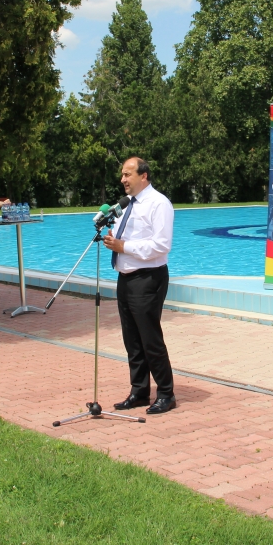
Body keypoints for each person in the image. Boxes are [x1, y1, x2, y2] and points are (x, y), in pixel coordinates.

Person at [101, 157, 176, 415]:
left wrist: (124, 246)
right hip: (126, 278)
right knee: (132, 339)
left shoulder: (158, 203)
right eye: (122, 175)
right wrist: (114, 240)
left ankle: (166, 394)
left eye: (127, 174)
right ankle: (140, 391)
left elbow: (161, 245)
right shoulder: (126, 205)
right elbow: (126, 238)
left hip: (148, 278)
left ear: (143, 176)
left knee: (150, 338)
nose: (123, 179)